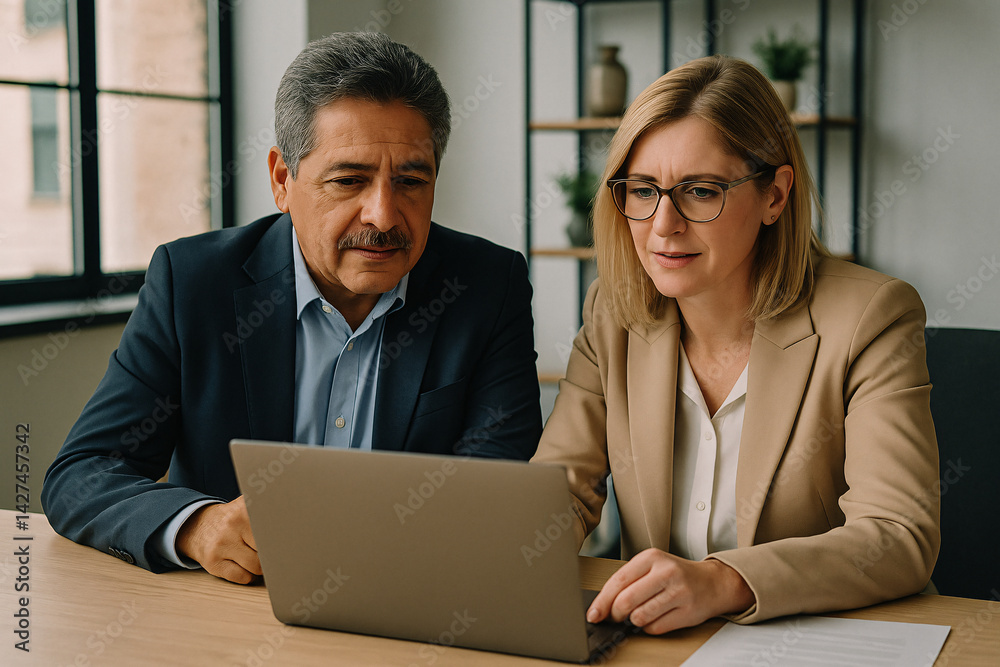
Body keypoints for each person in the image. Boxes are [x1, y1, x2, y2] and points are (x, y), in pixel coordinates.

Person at [42, 32, 542, 584]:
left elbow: (497, 489)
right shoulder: (193, 284)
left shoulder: (487, 286)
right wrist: (197, 526)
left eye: (411, 182)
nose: (382, 214)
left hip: (411, 601)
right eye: (349, 180)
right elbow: (82, 474)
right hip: (233, 614)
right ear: (283, 180)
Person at [531, 55, 940, 633]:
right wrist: (502, 559)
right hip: (659, 640)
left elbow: (897, 534)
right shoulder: (613, 311)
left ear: (775, 195)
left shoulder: (870, 317)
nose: (663, 224)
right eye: (643, 190)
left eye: (700, 191)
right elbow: (562, 491)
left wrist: (723, 581)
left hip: (820, 639)